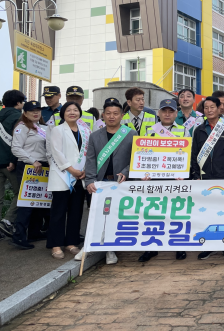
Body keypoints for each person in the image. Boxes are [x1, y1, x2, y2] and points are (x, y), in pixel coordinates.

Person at [83, 98, 135, 265]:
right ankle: (89, 247)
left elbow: (135, 158)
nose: (112, 117)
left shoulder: (131, 134)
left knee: (114, 216)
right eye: (108, 113)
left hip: (120, 182)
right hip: (100, 181)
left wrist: (126, 172)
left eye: (115, 113)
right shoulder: (95, 136)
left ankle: (110, 249)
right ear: (103, 115)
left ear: (121, 115)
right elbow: (90, 160)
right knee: (97, 215)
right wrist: (89, 180)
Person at [138, 98, 187, 262]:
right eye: (164, 111)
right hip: (154, 180)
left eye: (171, 111)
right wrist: (143, 173)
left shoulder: (183, 130)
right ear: (158, 113)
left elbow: (188, 154)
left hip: (176, 180)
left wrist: (184, 173)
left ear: (176, 113)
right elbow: (143, 154)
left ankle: (179, 247)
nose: (167, 114)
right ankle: (151, 248)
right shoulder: (150, 130)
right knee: (153, 213)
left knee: (176, 212)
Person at [191, 96, 224, 260]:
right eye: (206, 108)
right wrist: (196, 175)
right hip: (205, 178)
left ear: (219, 109)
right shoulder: (199, 130)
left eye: (212, 107)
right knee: (207, 212)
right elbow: (194, 154)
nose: (209, 110)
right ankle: (209, 246)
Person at [47, 101, 90, 259]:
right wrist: (71, 170)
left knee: (76, 211)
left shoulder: (86, 131)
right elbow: (56, 152)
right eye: (69, 110)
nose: (72, 112)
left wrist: (83, 171)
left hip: (80, 177)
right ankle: (56, 244)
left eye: (75, 110)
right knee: (58, 212)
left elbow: (88, 153)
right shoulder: (57, 130)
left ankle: (71, 242)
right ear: (63, 113)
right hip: (62, 175)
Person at [9, 101, 49, 250]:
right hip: (29, 167)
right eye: (32, 111)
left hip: (42, 167)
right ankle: (18, 236)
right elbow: (16, 149)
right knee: (26, 203)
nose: (36, 113)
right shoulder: (21, 128)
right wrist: (33, 161)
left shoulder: (40, 128)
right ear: (25, 113)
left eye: (38, 110)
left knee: (39, 201)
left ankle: (34, 232)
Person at [0, 89, 25, 237]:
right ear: (18, 102)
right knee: (20, 193)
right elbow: (16, 141)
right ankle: (7, 221)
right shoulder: (19, 117)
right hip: (10, 164)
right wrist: (13, 160)